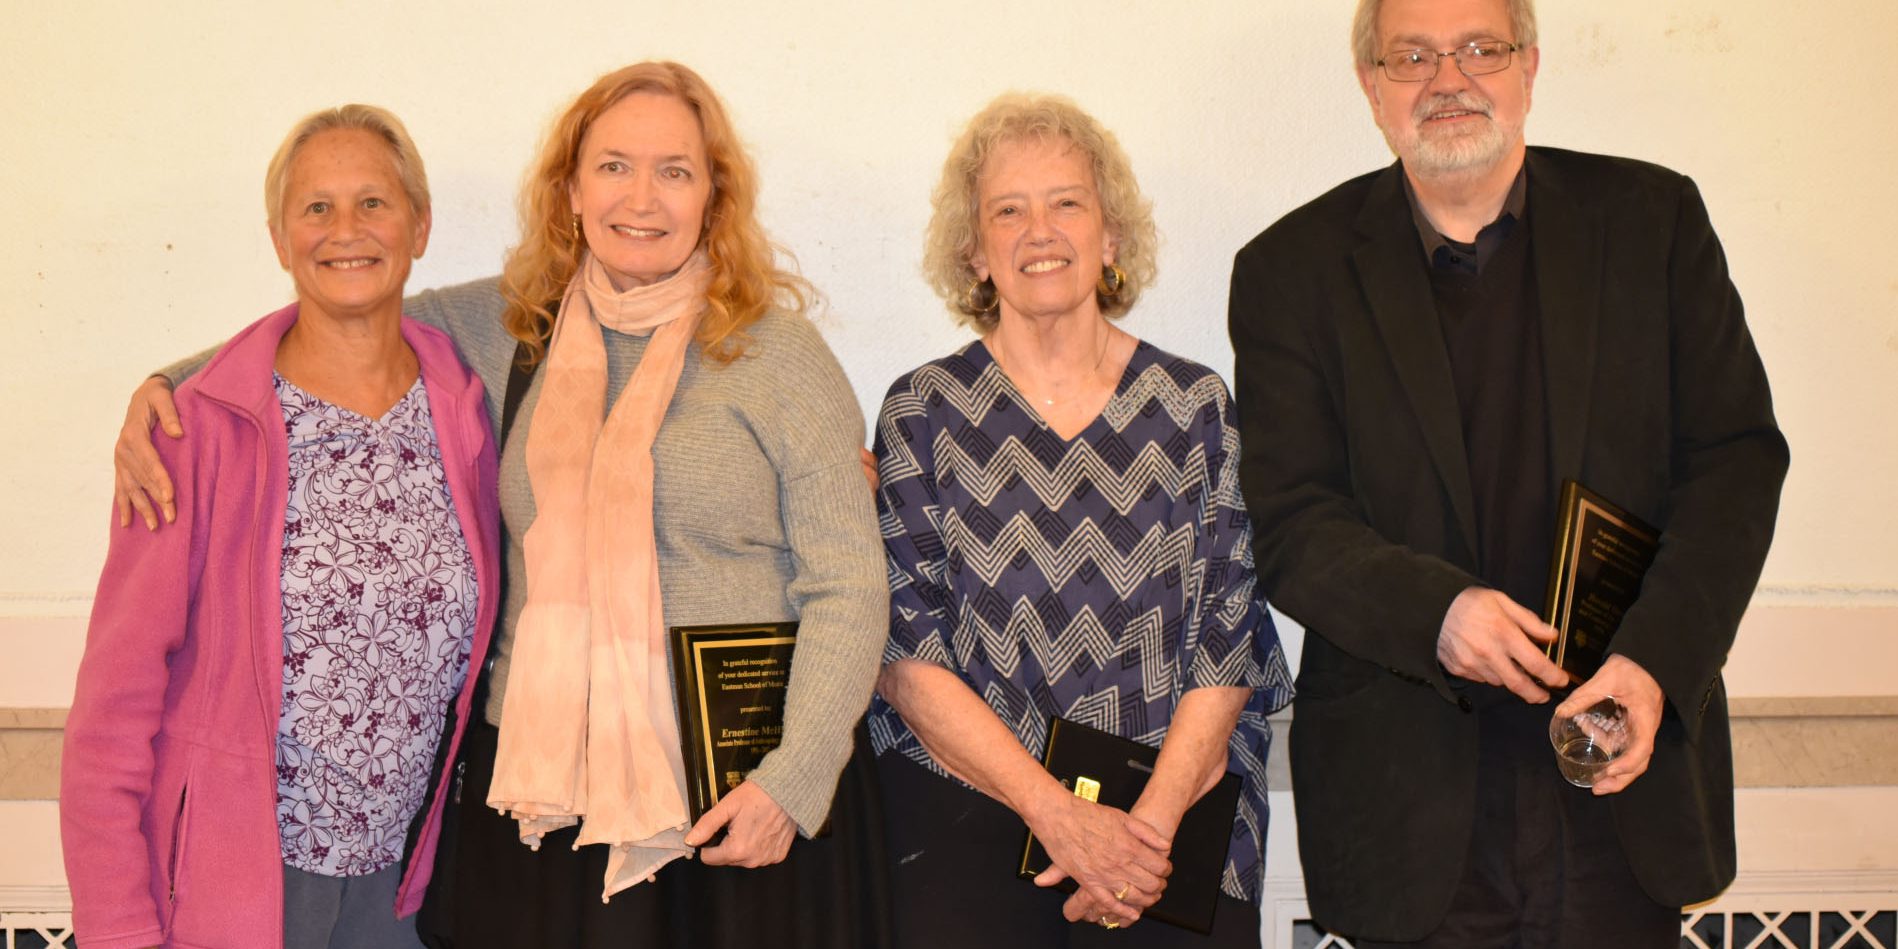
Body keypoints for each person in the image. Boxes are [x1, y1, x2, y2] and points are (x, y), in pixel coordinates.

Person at [110, 62, 890, 949]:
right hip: (544, 805)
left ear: (714, 195)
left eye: (675, 170)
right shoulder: (509, 324)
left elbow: (850, 587)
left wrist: (791, 784)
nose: (642, 196)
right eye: (612, 166)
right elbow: (342, 311)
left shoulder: (779, 355)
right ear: (570, 190)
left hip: (740, 803)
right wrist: (166, 385)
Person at [1226, 0, 1789, 946]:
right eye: (1411, 56)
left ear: (1530, 66)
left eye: (1480, 48)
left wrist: (1655, 663)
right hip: (1409, 800)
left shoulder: (1654, 224)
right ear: (1371, 86)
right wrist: (1437, 612)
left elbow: (1736, 463)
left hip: (1621, 770)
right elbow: (1290, 523)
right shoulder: (1291, 271)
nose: (1449, 79)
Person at [62, 104, 500, 949]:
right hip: (238, 887)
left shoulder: (466, 403)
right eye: (316, 207)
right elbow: (111, 713)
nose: (346, 230)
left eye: (374, 202)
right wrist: (118, 930)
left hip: (406, 887)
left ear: (420, 225)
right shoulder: (196, 432)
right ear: (277, 237)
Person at [870, 92, 1294, 947]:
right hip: (973, 822)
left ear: (1110, 238)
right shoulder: (922, 412)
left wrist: (1144, 834)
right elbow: (906, 655)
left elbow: (1228, 635)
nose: (1040, 231)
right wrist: (1058, 816)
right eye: (1008, 210)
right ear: (976, 252)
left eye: (1067, 202)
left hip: (1175, 832)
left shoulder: (1194, 407)